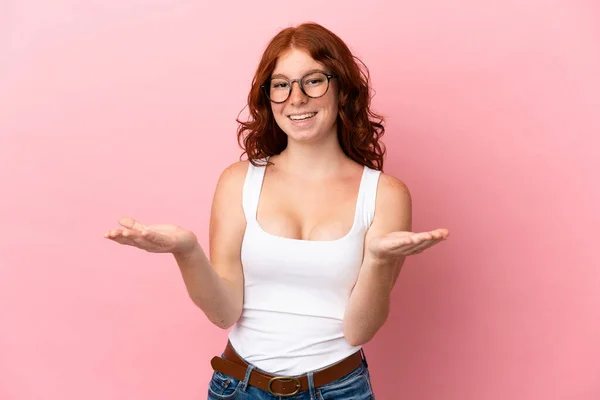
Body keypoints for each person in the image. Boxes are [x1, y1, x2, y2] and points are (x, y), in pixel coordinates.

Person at [104, 22, 449, 400]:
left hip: (340, 390)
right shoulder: (239, 181)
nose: (296, 98)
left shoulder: (385, 193)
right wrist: (186, 251)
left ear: (343, 90)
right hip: (240, 388)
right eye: (281, 84)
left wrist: (380, 261)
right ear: (268, 97)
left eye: (313, 80)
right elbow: (224, 313)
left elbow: (359, 332)